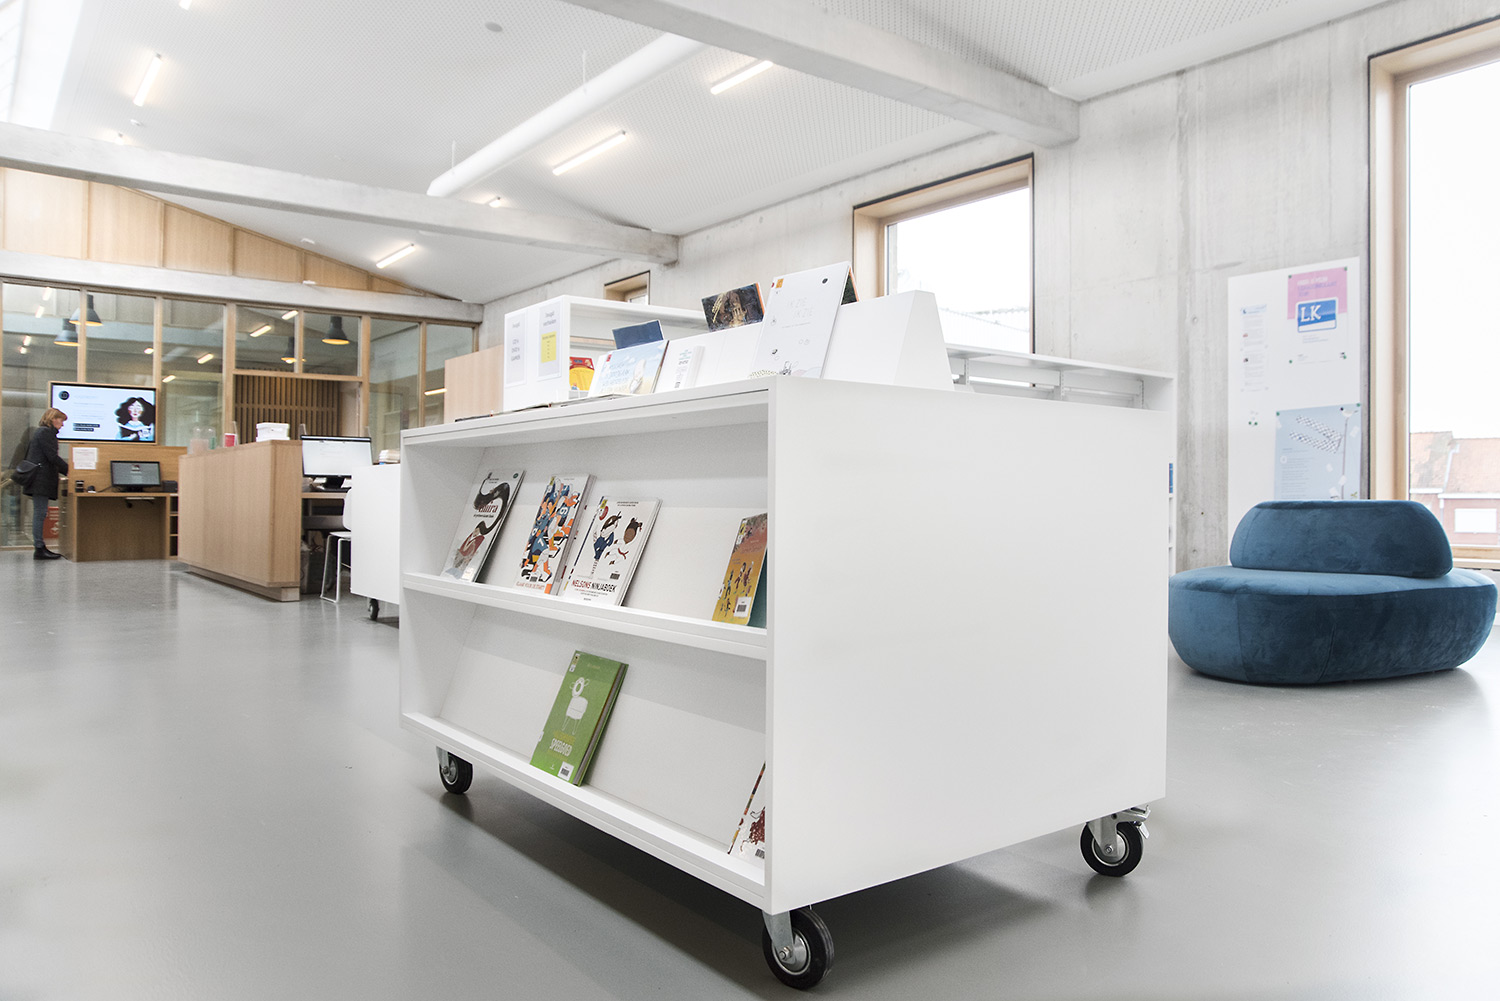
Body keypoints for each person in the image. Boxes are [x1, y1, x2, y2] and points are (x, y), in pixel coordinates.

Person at [24, 408, 69, 560]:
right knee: (40, 513)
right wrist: (69, 470)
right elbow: (52, 457)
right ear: (53, 419)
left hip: (39, 479)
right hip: (40, 480)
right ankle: (39, 548)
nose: (62, 424)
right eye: (61, 420)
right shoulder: (45, 433)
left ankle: (40, 546)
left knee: (40, 513)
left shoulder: (42, 432)